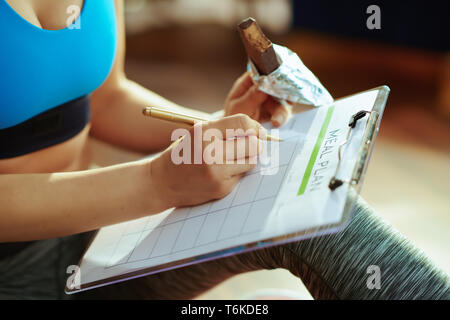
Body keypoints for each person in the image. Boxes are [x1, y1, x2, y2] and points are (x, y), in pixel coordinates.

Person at [0, 0, 448, 300]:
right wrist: (155, 183)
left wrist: (215, 128)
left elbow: (105, 97)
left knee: (308, 207)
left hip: (91, 233)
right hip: (16, 272)